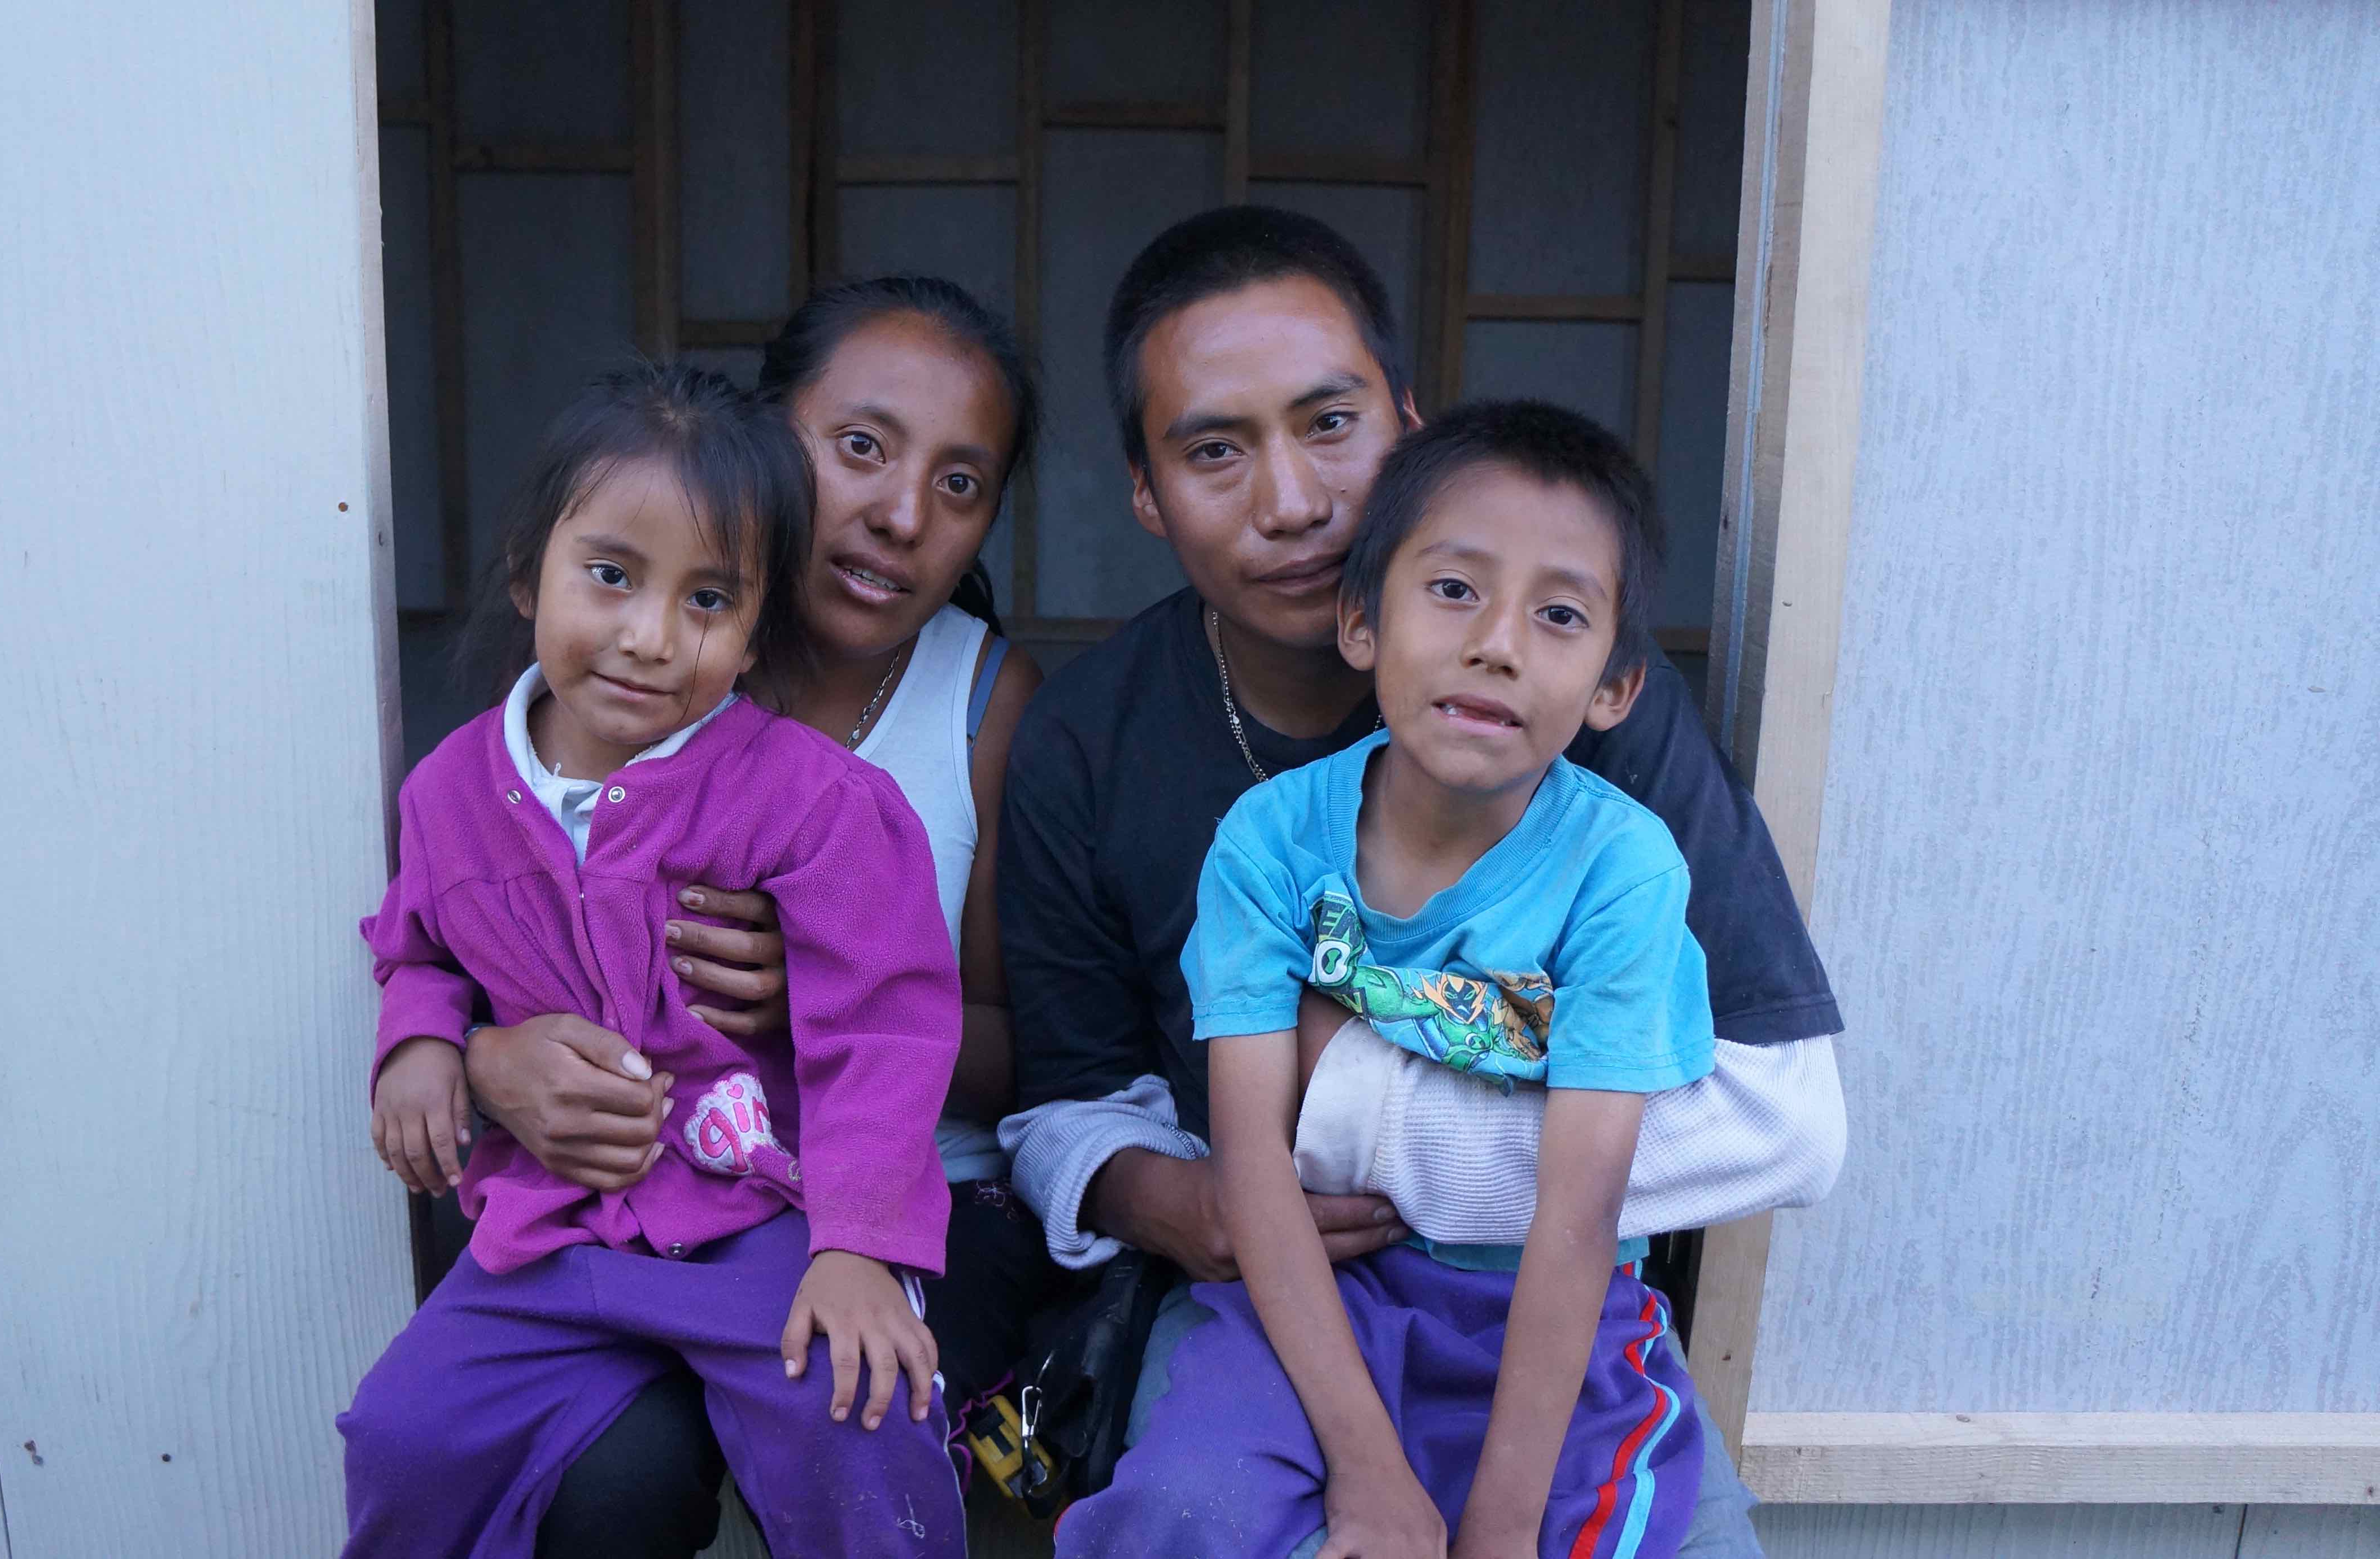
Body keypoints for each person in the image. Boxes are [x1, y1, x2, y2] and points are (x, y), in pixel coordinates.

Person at [998, 207, 1846, 1554]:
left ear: (1406, 418)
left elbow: (1787, 1123)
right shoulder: (1100, 745)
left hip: (1552, 1307)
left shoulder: (1600, 729)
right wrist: (1187, 1196)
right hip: (1269, 1304)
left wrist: (1344, 1101)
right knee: (1192, 1514)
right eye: (1214, 450)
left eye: (1329, 424)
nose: (1289, 500)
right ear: (1145, 491)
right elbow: (1062, 1101)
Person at [1058, 402, 1717, 1558]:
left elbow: (1577, 1211)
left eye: (1557, 616)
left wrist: (1501, 1531)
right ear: (1362, 624)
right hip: (1318, 1295)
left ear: (1613, 687)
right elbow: (1250, 1164)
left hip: (1551, 1315)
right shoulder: (1270, 840)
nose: (1497, 643)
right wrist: (1365, 1472)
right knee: (1182, 1514)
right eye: (1453, 591)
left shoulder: (1619, 870)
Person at [457, 280, 1050, 1556]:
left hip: (917, 1201)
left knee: (845, 1407)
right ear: (757, 434)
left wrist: (826, 999)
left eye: (961, 484)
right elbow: (459, 932)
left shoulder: (981, 705)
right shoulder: (620, 665)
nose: (899, 515)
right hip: (637, 1198)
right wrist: (485, 1065)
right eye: (858, 448)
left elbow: (1033, 1046)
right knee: (602, 1480)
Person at [340, 363, 966, 1558]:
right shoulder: (452, 793)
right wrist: (422, 1044)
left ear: (753, 630)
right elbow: (418, 949)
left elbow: (879, 1034)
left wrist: (857, 1248)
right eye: (612, 577)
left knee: (861, 1411)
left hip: (759, 1222)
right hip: (552, 1226)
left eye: (707, 601)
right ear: (531, 571)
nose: (647, 638)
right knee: (402, 1435)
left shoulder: (816, 804)